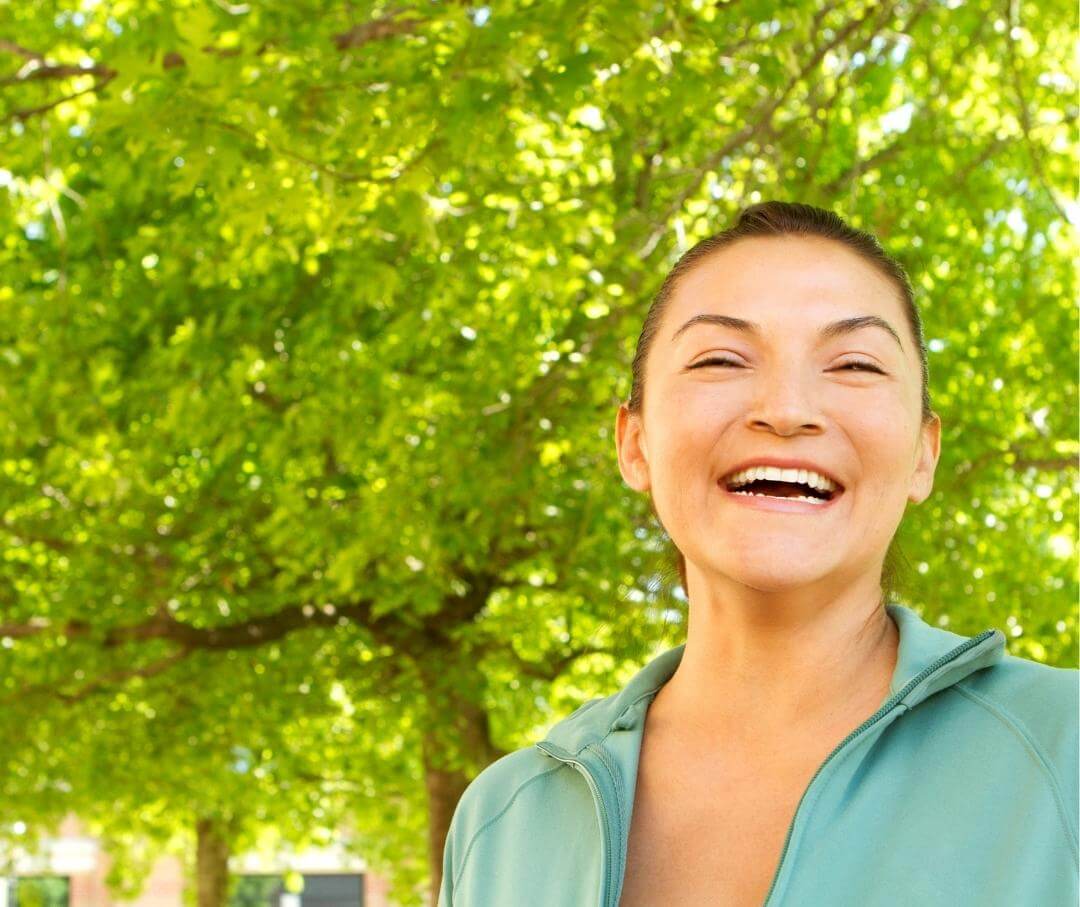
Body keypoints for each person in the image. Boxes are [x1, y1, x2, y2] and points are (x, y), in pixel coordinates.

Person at [437, 202, 1079, 907]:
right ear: (634, 441)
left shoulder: (1066, 749)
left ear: (924, 454)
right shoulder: (504, 821)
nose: (786, 408)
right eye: (720, 359)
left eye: (855, 364)